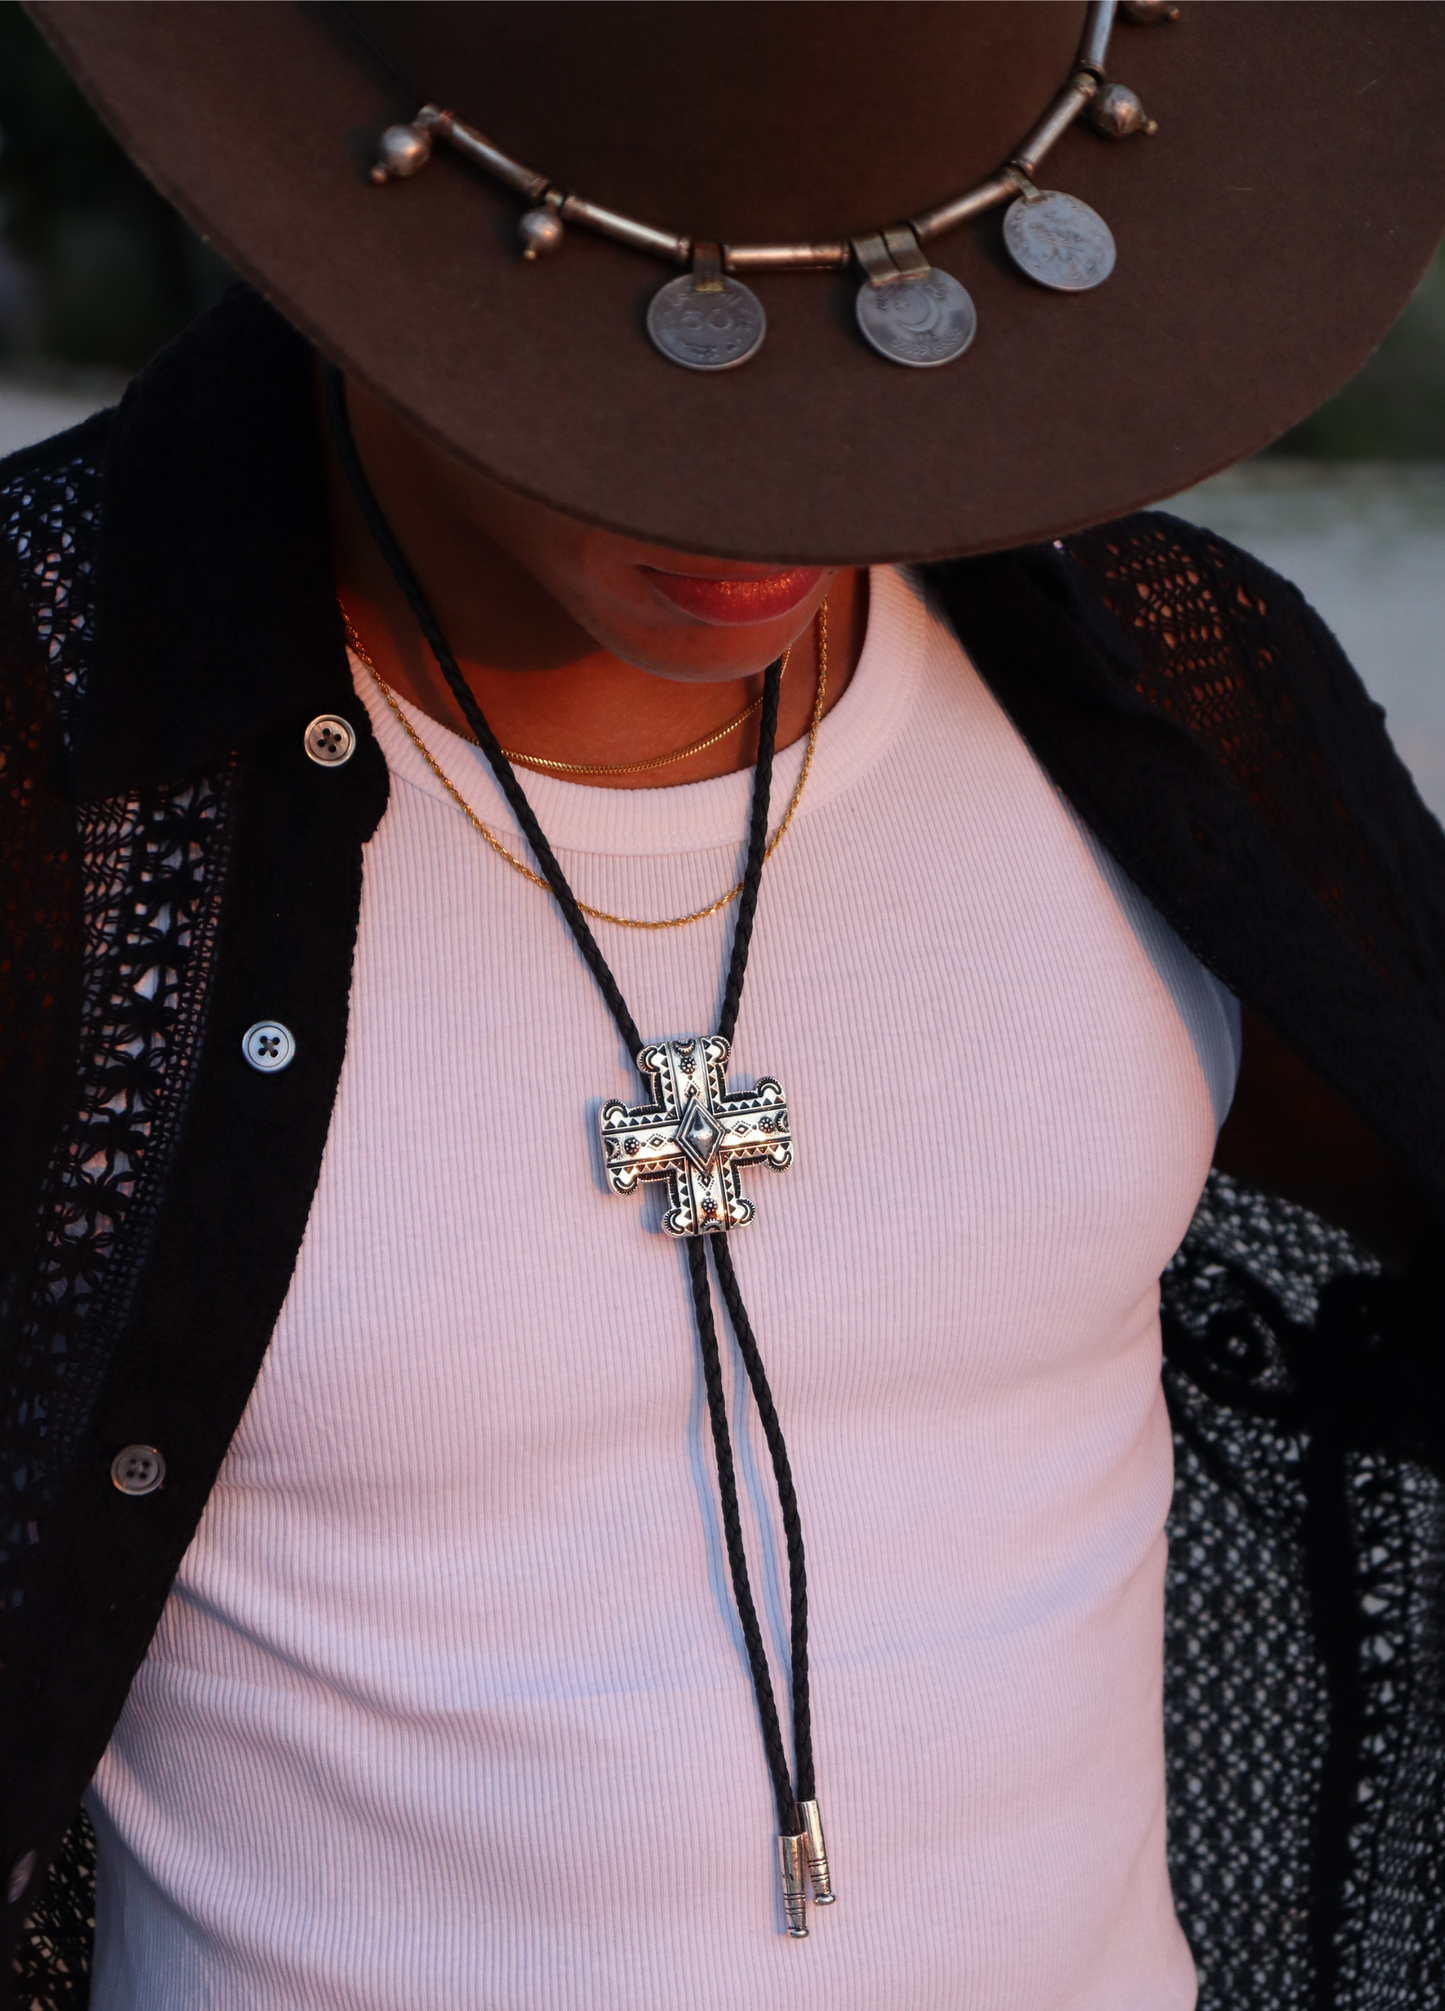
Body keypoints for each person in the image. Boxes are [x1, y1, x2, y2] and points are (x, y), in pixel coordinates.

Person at [4, 5, 1445, 2007]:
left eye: (844, 324)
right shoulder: (51, 749)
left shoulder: (1173, 687)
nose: (762, 503)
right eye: (662, 352)